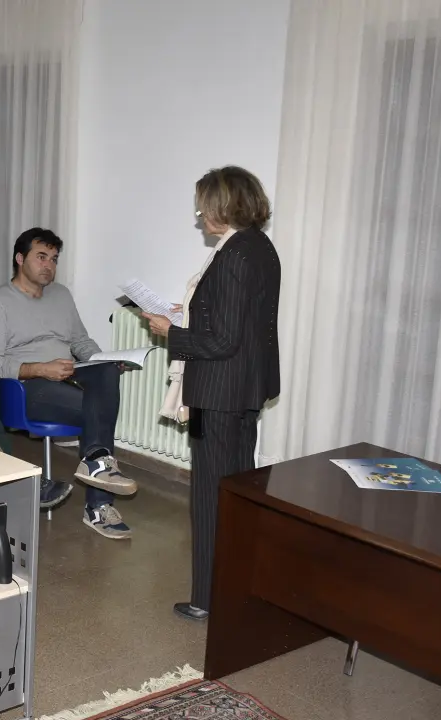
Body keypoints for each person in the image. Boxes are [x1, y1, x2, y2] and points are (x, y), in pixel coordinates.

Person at [139, 166, 281, 621]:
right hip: (243, 391)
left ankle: (206, 598)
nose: (199, 217)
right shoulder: (259, 247)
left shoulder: (234, 255)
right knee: (237, 493)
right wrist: (191, 313)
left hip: (218, 394)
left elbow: (222, 342)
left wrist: (171, 332)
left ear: (224, 205)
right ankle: (238, 587)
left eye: (203, 208)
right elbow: (236, 320)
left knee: (211, 496)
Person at [0, 228, 139, 540]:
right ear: (20, 258)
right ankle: (98, 502)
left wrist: (103, 360)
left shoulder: (61, 295)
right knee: (98, 410)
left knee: (106, 371)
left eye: (53, 259)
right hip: (28, 386)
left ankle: (95, 461)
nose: (48, 265)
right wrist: (42, 368)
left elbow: (80, 341)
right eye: (41, 257)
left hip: (69, 374)